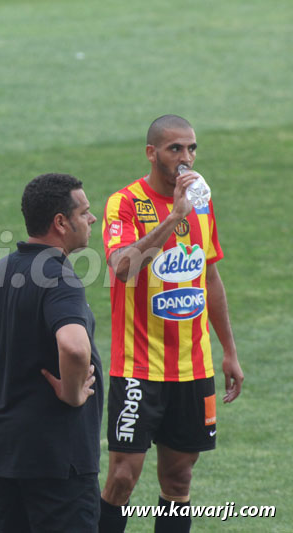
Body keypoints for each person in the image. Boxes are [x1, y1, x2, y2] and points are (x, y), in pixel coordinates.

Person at [98, 115, 244, 532]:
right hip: (137, 368)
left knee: (178, 480)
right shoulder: (124, 202)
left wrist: (229, 352)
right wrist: (173, 216)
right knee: (122, 478)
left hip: (193, 369)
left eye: (192, 148)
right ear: (151, 153)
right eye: (175, 149)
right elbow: (122, 268)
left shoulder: (202, 203)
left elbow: (210, 276)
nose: (186, 158)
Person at [0, 173, 103, 532]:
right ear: (60, 223)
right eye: (84, 212)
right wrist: (71, 394)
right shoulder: (59, 277)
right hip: (56, 458)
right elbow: (73, 345)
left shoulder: (2, 270)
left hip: (5, 452)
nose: (92, 219)